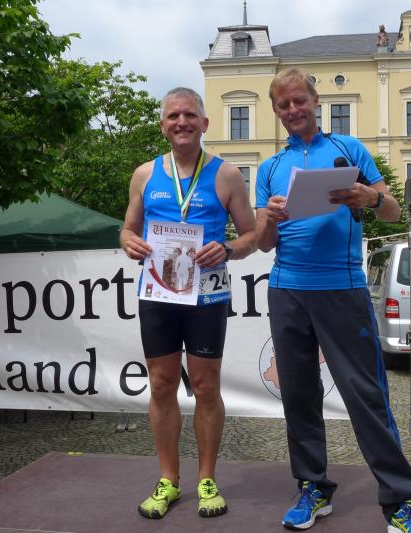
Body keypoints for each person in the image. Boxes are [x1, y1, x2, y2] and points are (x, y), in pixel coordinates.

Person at [255, 68, 411, 532]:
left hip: (342, 287)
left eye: (299, 100)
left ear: (316, 102)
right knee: (299, 395)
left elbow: (393, 210)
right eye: (283, 104)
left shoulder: (349, 149)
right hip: (287, 289)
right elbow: (263, 243)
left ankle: (401, 501)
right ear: (276, 111)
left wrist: (367, 196)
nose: (293, 110)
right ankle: (313, 487)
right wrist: (269, 218)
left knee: (365, 394)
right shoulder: (270, 168)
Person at [120, 87, 256, 520]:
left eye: (190, 115)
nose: (182, 122)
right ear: (163, 125)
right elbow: (127, 229)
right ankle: (168, 479)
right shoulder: (144, 174)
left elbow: (252, 236)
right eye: (174, 116)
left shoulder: (227, 175)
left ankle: (207, 479)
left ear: (204, 123)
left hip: (207, 294)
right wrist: (130, 243)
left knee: (205, 386)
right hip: (159, 293)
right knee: (161, 385)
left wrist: (228, 249)